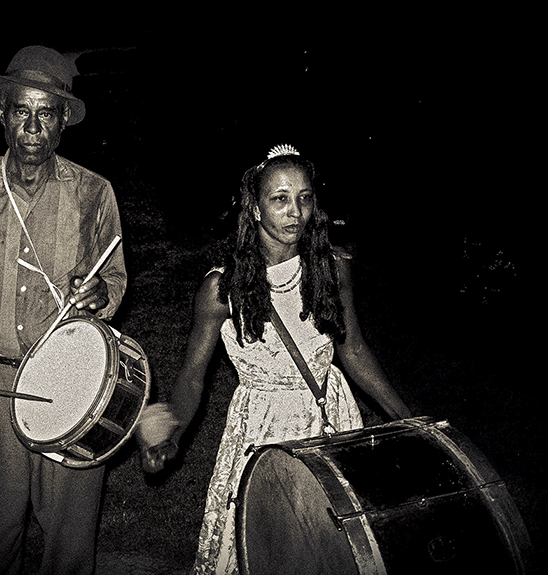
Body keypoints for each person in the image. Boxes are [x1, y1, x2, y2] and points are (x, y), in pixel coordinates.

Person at [136, 144, 412, 574]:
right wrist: (172, 435)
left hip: (330, 418)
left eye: (304, 197)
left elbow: (353, 349)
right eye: (279, 199)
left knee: (332, 547)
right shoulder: (220, 289)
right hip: (262, 428)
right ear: (254, 206)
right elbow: (193, 377)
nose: (295, 212)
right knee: (264, 549)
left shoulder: (332, 268)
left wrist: (405, 421)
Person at [0, 45, 126, 575]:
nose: (33, 126)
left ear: (63, 123)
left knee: (70, 552)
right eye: (21, 110)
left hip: (72, 388)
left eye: (47, 113)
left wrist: (100, 295)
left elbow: (115, 280)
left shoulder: (95, 194)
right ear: (2, 114)